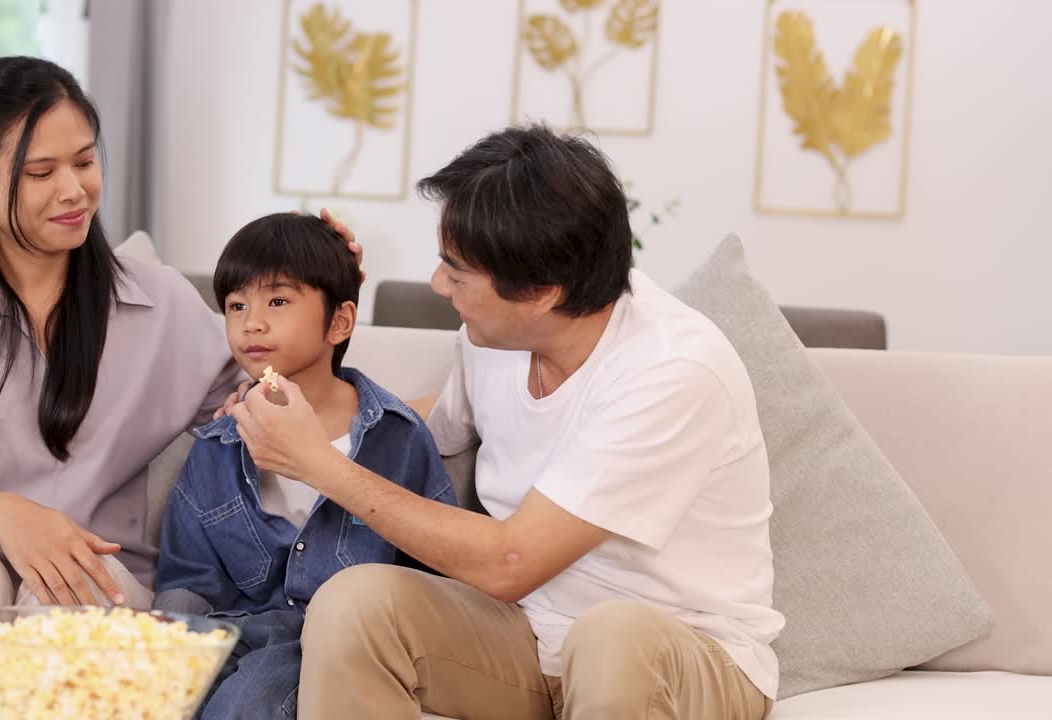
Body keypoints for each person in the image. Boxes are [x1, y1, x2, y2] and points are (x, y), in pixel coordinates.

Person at [0, 57, 356, 720]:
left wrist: (327, 289)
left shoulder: (160, 306)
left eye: (84, 162)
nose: (74, 190)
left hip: (95, 580)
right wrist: (0, 513)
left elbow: (282, 403)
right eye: (40, 172)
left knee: (74, 593)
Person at [229, 125, 785, 720]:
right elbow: (430, 425)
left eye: (456, 273)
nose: (438, 285)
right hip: (529, 634)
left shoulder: (673, 370)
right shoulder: (492, 338)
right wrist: (308, 391)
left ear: (541, 292)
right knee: (352, 604)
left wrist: (319, 464)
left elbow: (510, 562)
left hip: (682, 652)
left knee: (610, 641)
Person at [154, 212, 457, 719]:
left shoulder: (396, 438)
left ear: (339, 322)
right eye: (236, 305)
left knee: (249, 701)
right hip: (233, 638)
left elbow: (435, 572)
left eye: (277, 301)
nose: (252, 322)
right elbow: (188, 581)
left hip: (338, 646)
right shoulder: (216, 445)